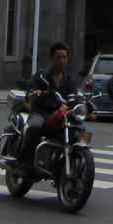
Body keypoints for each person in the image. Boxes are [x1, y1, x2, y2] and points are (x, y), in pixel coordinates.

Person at [17, 41, 78, 169]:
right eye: (59, 57)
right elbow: (29, 93)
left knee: (77, 130)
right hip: (41, 112)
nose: (62, 60)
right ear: (52, 58)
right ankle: (24, 162)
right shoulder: (41, 76)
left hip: (60, 114)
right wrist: (34, 93)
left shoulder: (69, 80)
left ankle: (69, 160)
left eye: (64, 58)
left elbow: (74, 95)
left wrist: (86, 103)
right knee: (34, 127)